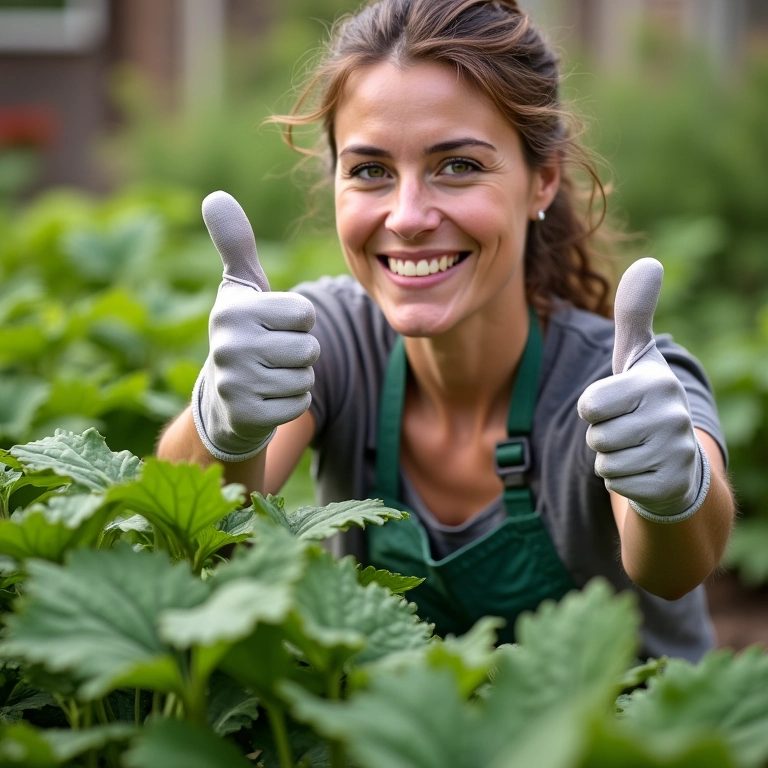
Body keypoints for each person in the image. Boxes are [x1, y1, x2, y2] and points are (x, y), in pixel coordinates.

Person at [157, 0, 735, 661]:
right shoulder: (329, 341)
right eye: (371, 170)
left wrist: (673, 493)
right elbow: (192, 530)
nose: (406, 216)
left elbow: (677, 567)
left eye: (457, 165)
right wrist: (221, 425)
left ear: (542, 181)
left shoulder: (628, 385)